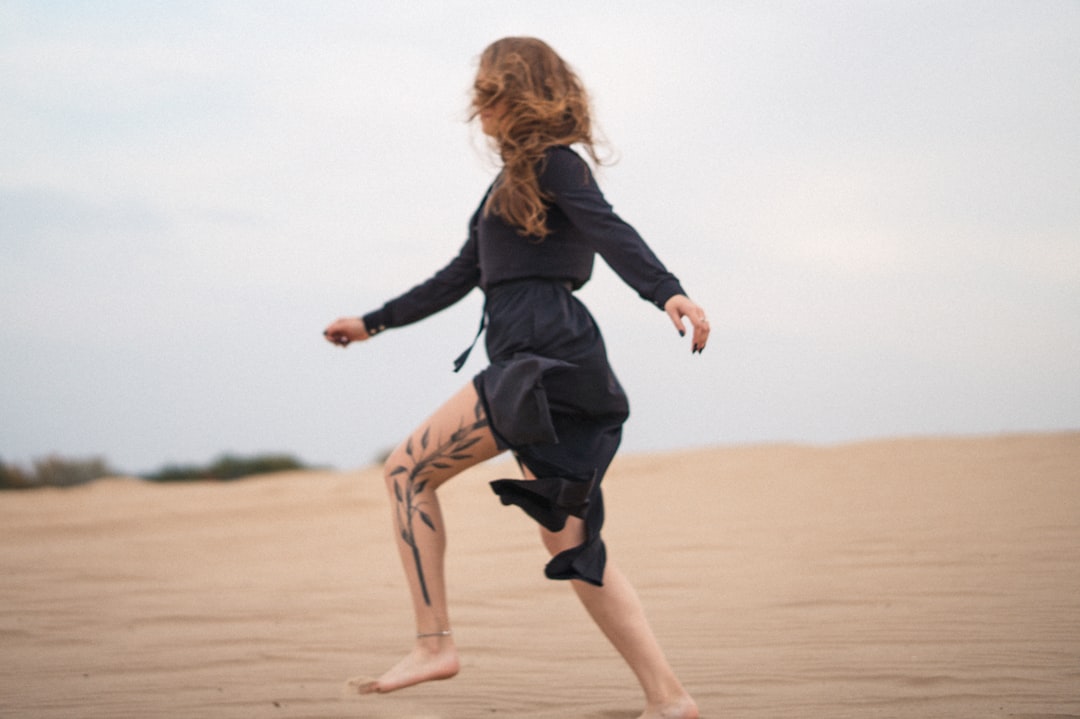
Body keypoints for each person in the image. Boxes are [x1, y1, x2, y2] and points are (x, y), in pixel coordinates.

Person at [324, 36, 706, 719]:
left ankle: (433, 642)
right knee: (572, 542)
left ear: (515, 92)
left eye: (486, 93)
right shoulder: (511, 184)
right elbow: (457, 276)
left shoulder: (558, 166)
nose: (477, 108)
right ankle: (668, 697)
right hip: (552, 355)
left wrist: (667, 292)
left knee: (406, 472)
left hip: (540, 353)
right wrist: (372, 321)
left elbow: (610, 229)